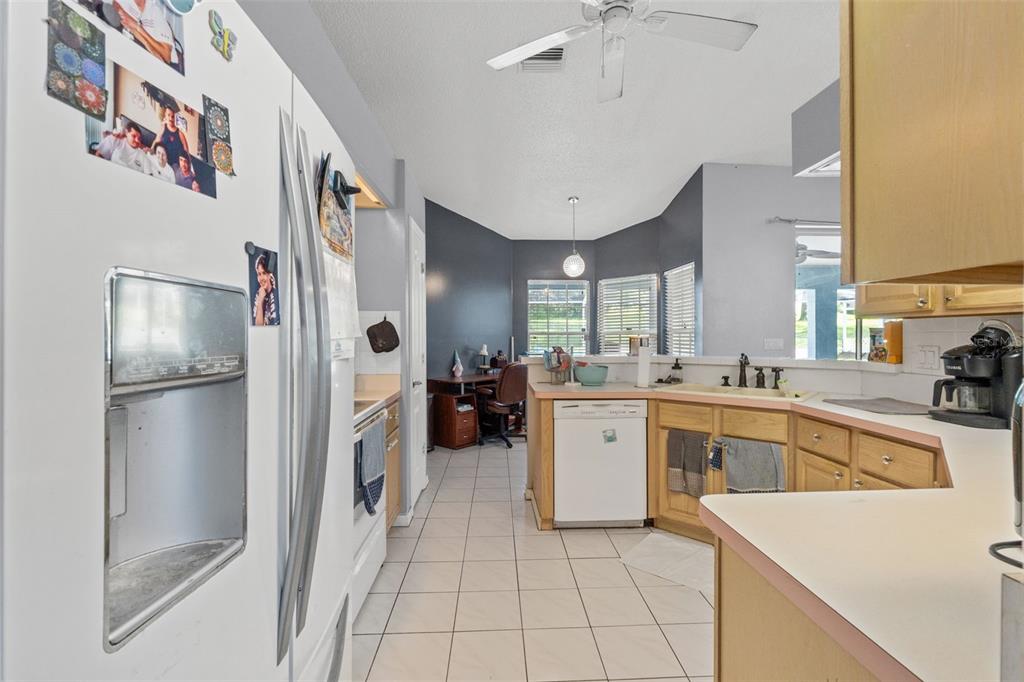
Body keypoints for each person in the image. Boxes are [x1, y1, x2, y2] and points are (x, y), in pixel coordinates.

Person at [112, 0, 179, 68]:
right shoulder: (123, 3)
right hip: (138, 57)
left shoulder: (155, 11)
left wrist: (138, 28)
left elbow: (166, 56)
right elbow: (117, 8)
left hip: (170, 68)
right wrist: (148, 46)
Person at [253, 253, 278, 326]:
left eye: (264, 273)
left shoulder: (275, 294)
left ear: (270, 275)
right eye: (259, 274)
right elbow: (257, 326)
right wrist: (260, 300)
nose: (261, 278)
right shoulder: (259, 294)